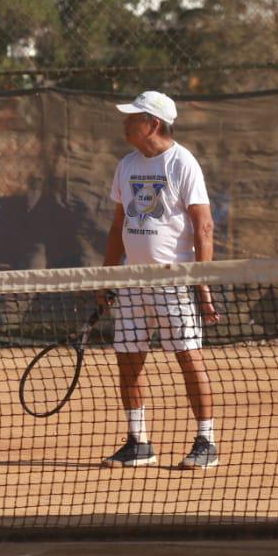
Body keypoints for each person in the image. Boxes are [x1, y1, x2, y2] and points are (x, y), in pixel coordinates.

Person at [101, 91, 220, 470]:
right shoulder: (126, 165)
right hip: (133, 284)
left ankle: (206, 441)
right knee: (128, 360)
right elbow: (118, 226)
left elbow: (204, 227)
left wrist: (201, 283)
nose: (126, 122)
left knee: (188, 358)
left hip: (175, 282)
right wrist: (107, 278)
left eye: (133, 117)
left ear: (152, 124)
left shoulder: (183, 163)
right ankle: (139, 442)